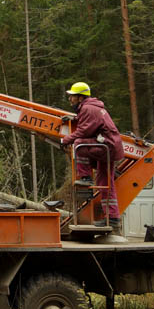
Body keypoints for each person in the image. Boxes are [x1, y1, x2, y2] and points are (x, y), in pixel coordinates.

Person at [60, 82, 124, 228]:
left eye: (72, 96)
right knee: (104, 183)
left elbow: (84, 131)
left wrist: (66, 140)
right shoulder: (91, 107)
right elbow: (90, 122)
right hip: (108, 146)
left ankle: (86, 177)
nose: (70, 99)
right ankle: (113, 218)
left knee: (79, 144)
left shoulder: (88, 108)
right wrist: (74, 119)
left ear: (80, 97)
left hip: (105, 145)